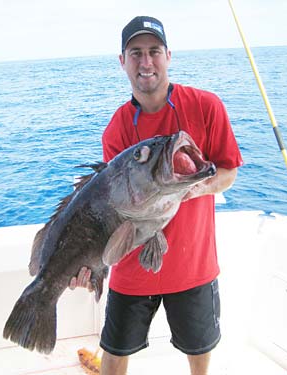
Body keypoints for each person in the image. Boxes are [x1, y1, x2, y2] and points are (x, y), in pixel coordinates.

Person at [70, 15, 243, 375]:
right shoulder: (116, 129)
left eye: (153, 51)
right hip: (131, 267)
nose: (145, 62)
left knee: (200, 351)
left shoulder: (206, 106)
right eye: (135, 53)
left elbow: (228, 171)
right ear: (122, 61)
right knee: (115, 352)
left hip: (193, 264)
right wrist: (85, 262)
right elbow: (107, 208)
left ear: (168, 56)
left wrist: (198, 187)